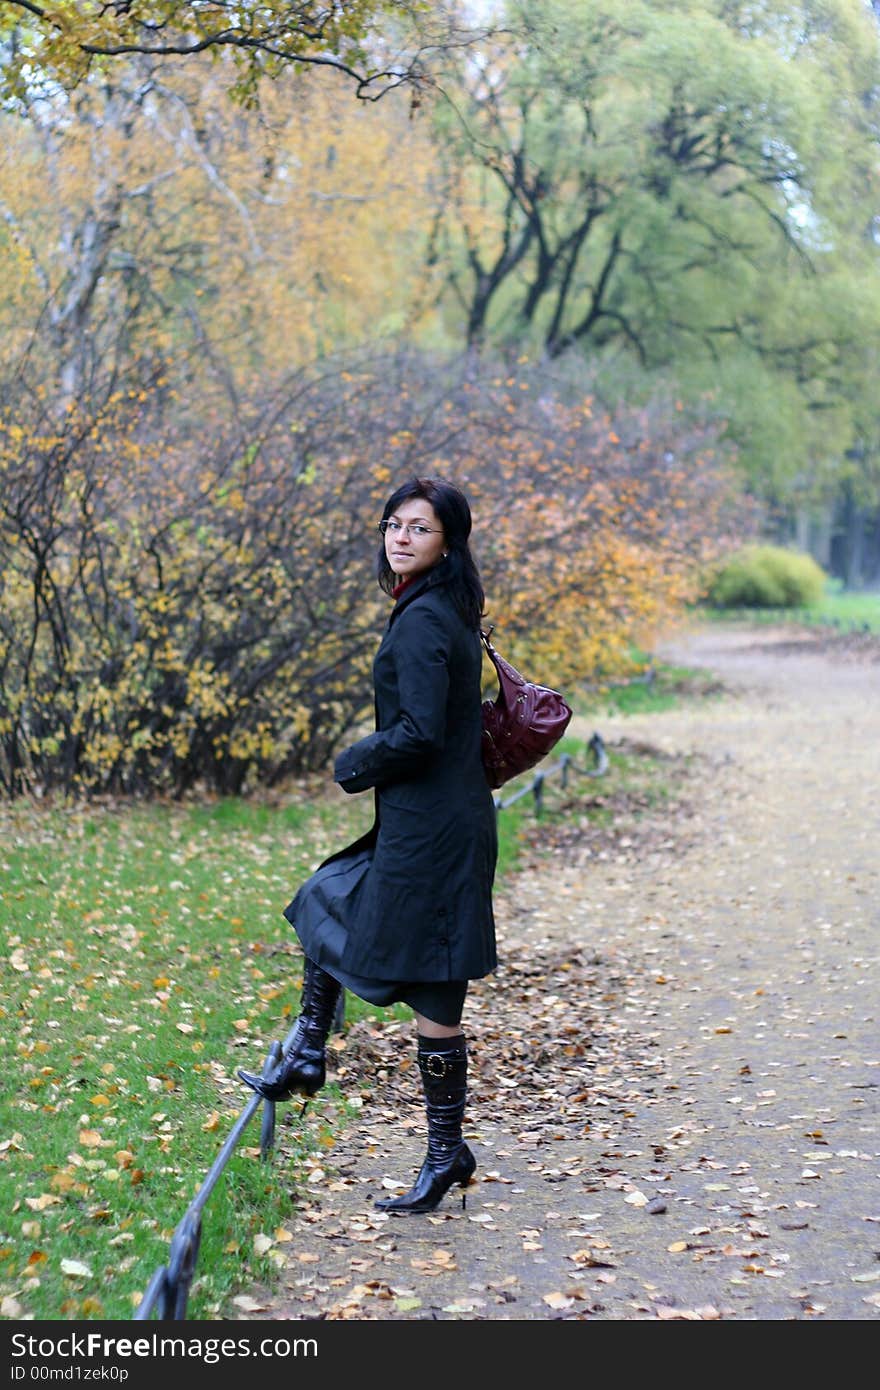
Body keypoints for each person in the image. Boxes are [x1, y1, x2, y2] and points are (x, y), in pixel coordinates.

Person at [238, 476, 498, 1214]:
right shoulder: (445, 606)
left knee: (351, 915)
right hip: (447, 817)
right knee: (353, 913)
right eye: (393, 523)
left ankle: (330, 1067)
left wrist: (354, 761)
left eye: (420, 527)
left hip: (432, 826)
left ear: (449, 540)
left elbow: (416, 732)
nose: (400, 537)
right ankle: (317, 1056)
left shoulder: (422, 620)